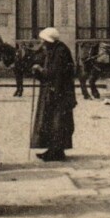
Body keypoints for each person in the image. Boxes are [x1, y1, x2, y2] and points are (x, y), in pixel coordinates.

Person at [31, 27, 77, 162]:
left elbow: (55, 73)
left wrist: (40, 69)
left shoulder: (60, 52)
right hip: (52, 92)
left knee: (57, 122)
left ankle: (56, 152)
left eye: (43, 40)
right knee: (50, 121)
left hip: (59, 93)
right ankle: (53, 150)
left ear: (49, 41)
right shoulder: (53, 50)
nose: (42, 43)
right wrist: (38, 72)